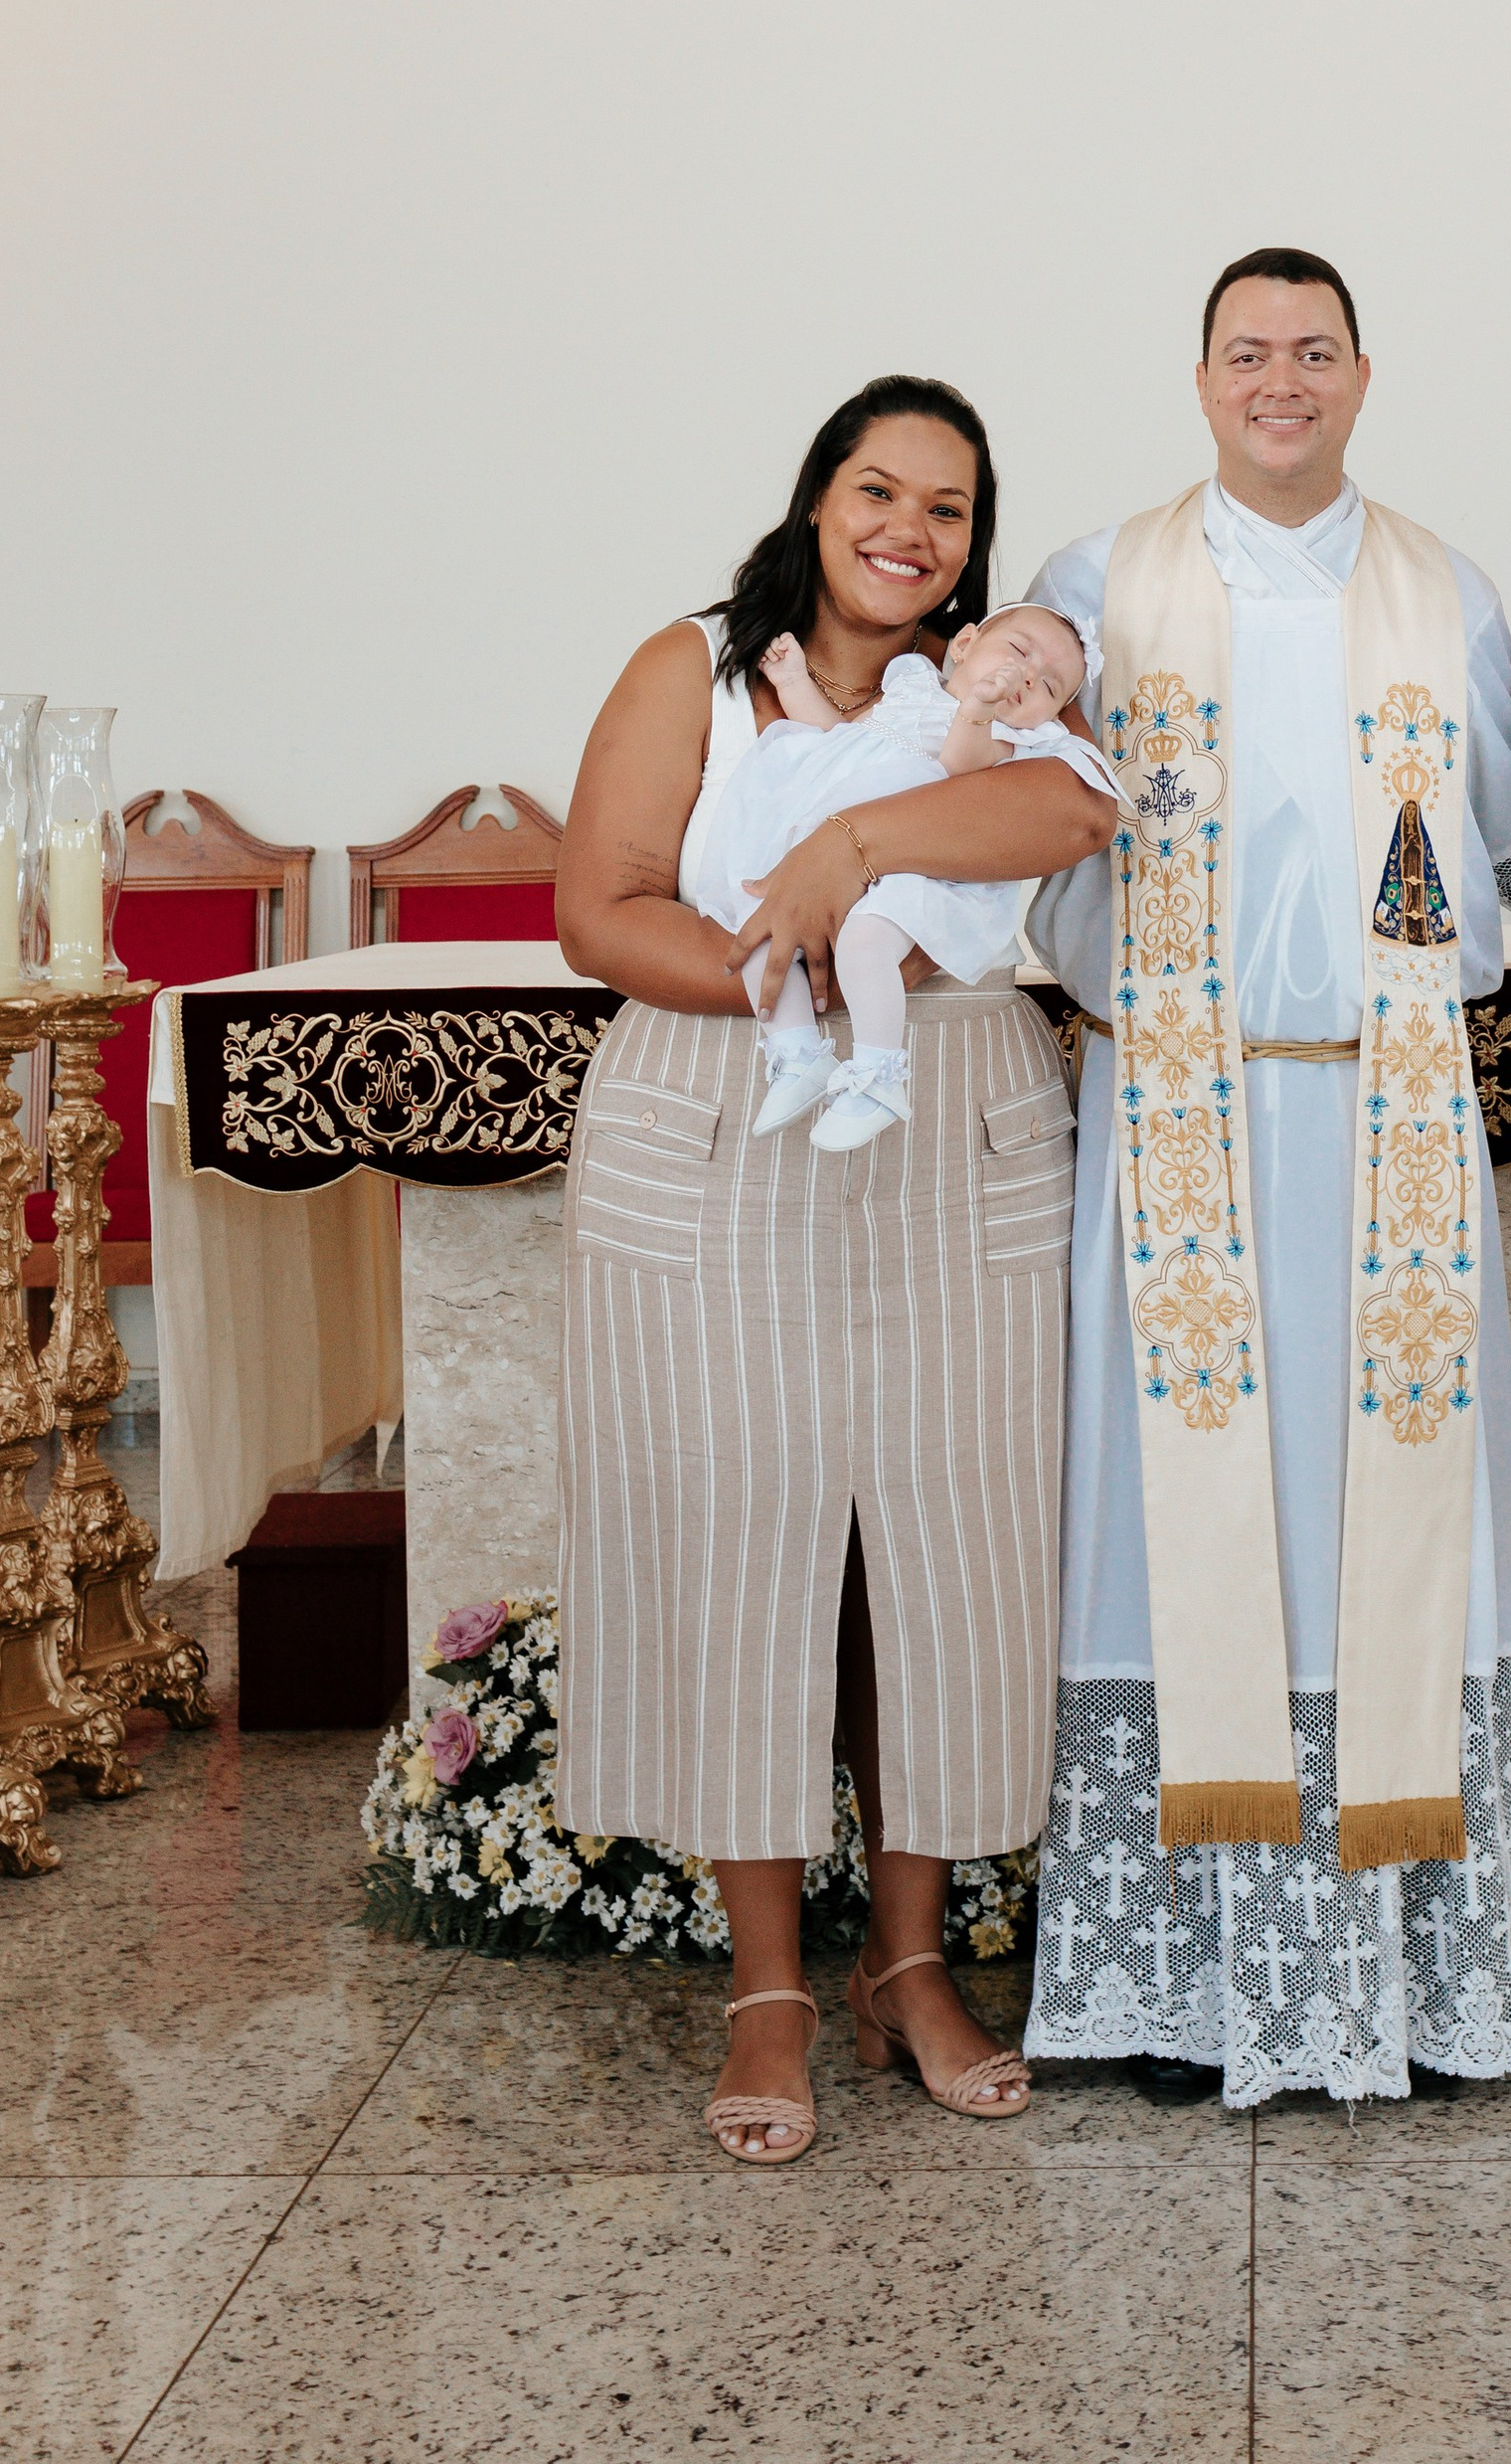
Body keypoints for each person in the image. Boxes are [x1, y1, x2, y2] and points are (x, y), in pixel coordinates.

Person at [1020, 248, 1511, 2109]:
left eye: (1313, 351)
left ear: (1361, 376)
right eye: (1247, 352)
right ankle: (1191, 1992)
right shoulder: (1096, 586)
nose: (1281, 380)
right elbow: (1020, 804)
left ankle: (1411, 1981)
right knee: (1168, 1528)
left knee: (1384, 1527)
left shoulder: (1446, 588)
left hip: (1386, 1118)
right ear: (1201, 381)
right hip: (1171, 1120)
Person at [551, 377, 1113, 2163]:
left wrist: (856, 848)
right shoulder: (696, 669)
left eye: (949, 508)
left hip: (955, 1127)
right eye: (880, 491)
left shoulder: (992, 695)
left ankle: (910, 1961)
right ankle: (770, 1985)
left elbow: (1067, 822)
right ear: (818, 500)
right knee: (744, 1534)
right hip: (730, 1103)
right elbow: (601, 906)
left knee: (950, 1538)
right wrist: (789, 975)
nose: (909, 531)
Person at [696, 604, 1112, 1144]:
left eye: (1050, 687)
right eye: (1018, 651)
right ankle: (796, 1054)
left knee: (865, 944)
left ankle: (879, 1076)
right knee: (760, 928)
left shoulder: (1006, 738)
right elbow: (838, 738)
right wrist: (793, 682)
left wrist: (978, 709)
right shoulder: (911, 686)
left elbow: (956, 769)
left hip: (915, 871)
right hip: (825, 861)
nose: (1028, 677)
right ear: (964, 644)